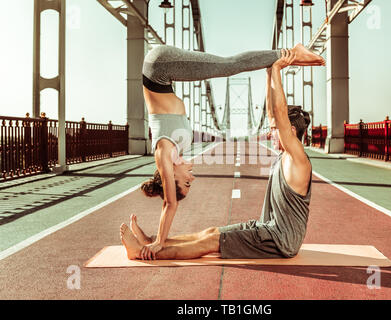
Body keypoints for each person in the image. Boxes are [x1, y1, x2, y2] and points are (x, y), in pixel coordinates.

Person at [120, 48, 316, 260]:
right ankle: (151, 240)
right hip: (267, 228)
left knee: (210, 243)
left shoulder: (297, 158)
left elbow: (279, 115)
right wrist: (270, 72)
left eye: (275, 130)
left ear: (291, 132)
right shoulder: (286, 155)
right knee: (212, 232)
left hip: (279, 240)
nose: (270, 133)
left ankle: (140, 253)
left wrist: (276, 65)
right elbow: (273, 114)